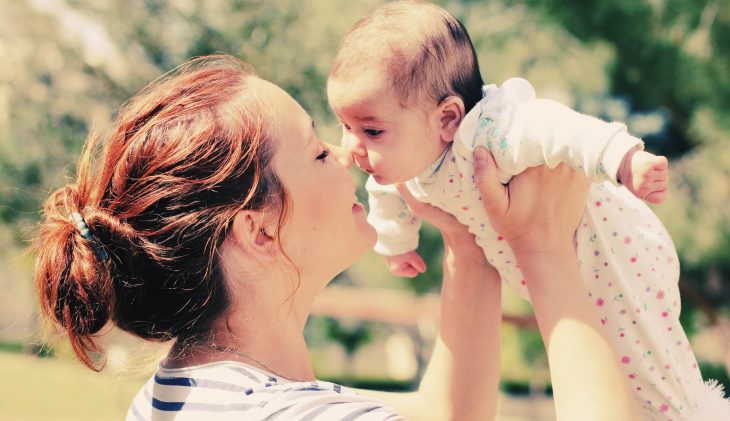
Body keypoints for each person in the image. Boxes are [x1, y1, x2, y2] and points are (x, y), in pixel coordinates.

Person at [34, 54, 640, 421]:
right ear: (259, 229)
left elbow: (443, 416)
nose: (348, 158)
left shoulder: (182, 394)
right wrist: (544, 252)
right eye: (317, 151)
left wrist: (466, 236)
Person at [326, 1, 730, 420]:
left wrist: (623, 159)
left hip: (613, 252)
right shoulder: (401, 161)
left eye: (371, 129)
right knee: (606, 367)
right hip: (559, 264)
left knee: (649, 363)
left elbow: (557, 130)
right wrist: (396, 242)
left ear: (448, 118)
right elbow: (385, 195)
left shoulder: (490, 133)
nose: (352, 146)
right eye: (346, 126)